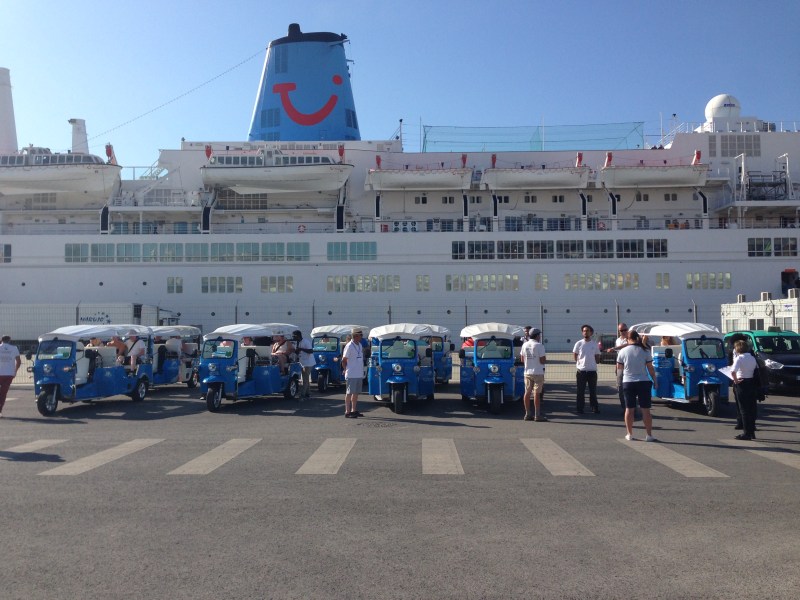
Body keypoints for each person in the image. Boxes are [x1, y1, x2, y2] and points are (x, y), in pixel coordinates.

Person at [616, 330, 658, 442]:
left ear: (628, 339)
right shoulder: (645, 351)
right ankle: (649, 435)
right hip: (643, 381)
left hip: (628, 382)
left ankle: (629, 434)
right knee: (646, 410)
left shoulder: (622, 351)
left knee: (629, 409)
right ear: (637, 338)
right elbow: (650, 368)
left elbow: (619, 369)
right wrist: (655, 380)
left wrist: (619, 382)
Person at [731, 339, 759, 440]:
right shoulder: (752, 358)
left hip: (741, 383)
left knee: (743, 409)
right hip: (751, 382)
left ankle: (746, 433)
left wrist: (735, 380)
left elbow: (733, 371)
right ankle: (751, 432)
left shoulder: (739, 358)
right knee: (751, 408)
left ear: (737, 348)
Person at [573, 324, 601, 414]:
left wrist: (595, 361)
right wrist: (579, 363)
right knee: (580, 391)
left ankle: (594, 407)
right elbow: (575, 355)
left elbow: (597, 356)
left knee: (593, 391)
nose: (585, 332)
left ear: (591, 333)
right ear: (582, 333)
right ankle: (580, 408)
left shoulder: (594, 344)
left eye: (587, 331)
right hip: (581, 372)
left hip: (592, 371)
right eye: (584, 331)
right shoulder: (579, 343)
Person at [520, 328, 547, 422]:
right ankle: (537, 415)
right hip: (538, 372)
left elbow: (522, 359)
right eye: (539, 335)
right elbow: (542, 360)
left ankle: (527, 413)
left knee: (527, 392)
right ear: (537, 335)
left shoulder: (524, 345)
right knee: (537, 393)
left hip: (527, 372)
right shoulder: (539, 345)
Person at [341, 328, 365, 418]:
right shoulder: (349, 346)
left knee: (356, 393)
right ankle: (347, 411)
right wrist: (345, 369)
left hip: (358, 373)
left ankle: (353, 410)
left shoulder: (360, 345)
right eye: (360, 335)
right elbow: (344, 360)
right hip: (351, 373)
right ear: (355, 336)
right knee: (349, 392)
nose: (361, 337)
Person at [0, 335, 21, 418]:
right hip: (9, 374)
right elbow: (18, 361)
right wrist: (15, 371)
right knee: (3, 393)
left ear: (1, 340)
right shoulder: (14, 348)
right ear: (9, 340)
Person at [612, 323, 630, 413]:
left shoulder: (630, 339)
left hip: (629, 367)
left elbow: (628, 345)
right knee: (620, 388)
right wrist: (616, 367)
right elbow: (618, 355)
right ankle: (624, 408)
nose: (623, 332)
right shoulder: (618, 340)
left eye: (625, 330)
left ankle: (631, 408)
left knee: (629, 388)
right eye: (621, 330)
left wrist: (614, 348)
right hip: (620, 366)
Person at [293, 330, 315, 400]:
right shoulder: (298, 342)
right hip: (302, 363)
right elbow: (298, 353)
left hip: (308, 363)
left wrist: (301, 349)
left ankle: (303, 394)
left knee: (305, 379)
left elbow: (311, 351)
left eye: (294, 336)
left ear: (298, 336)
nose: (293, 338)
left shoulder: (306, 341)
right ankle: (308, 393)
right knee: (306, 379)